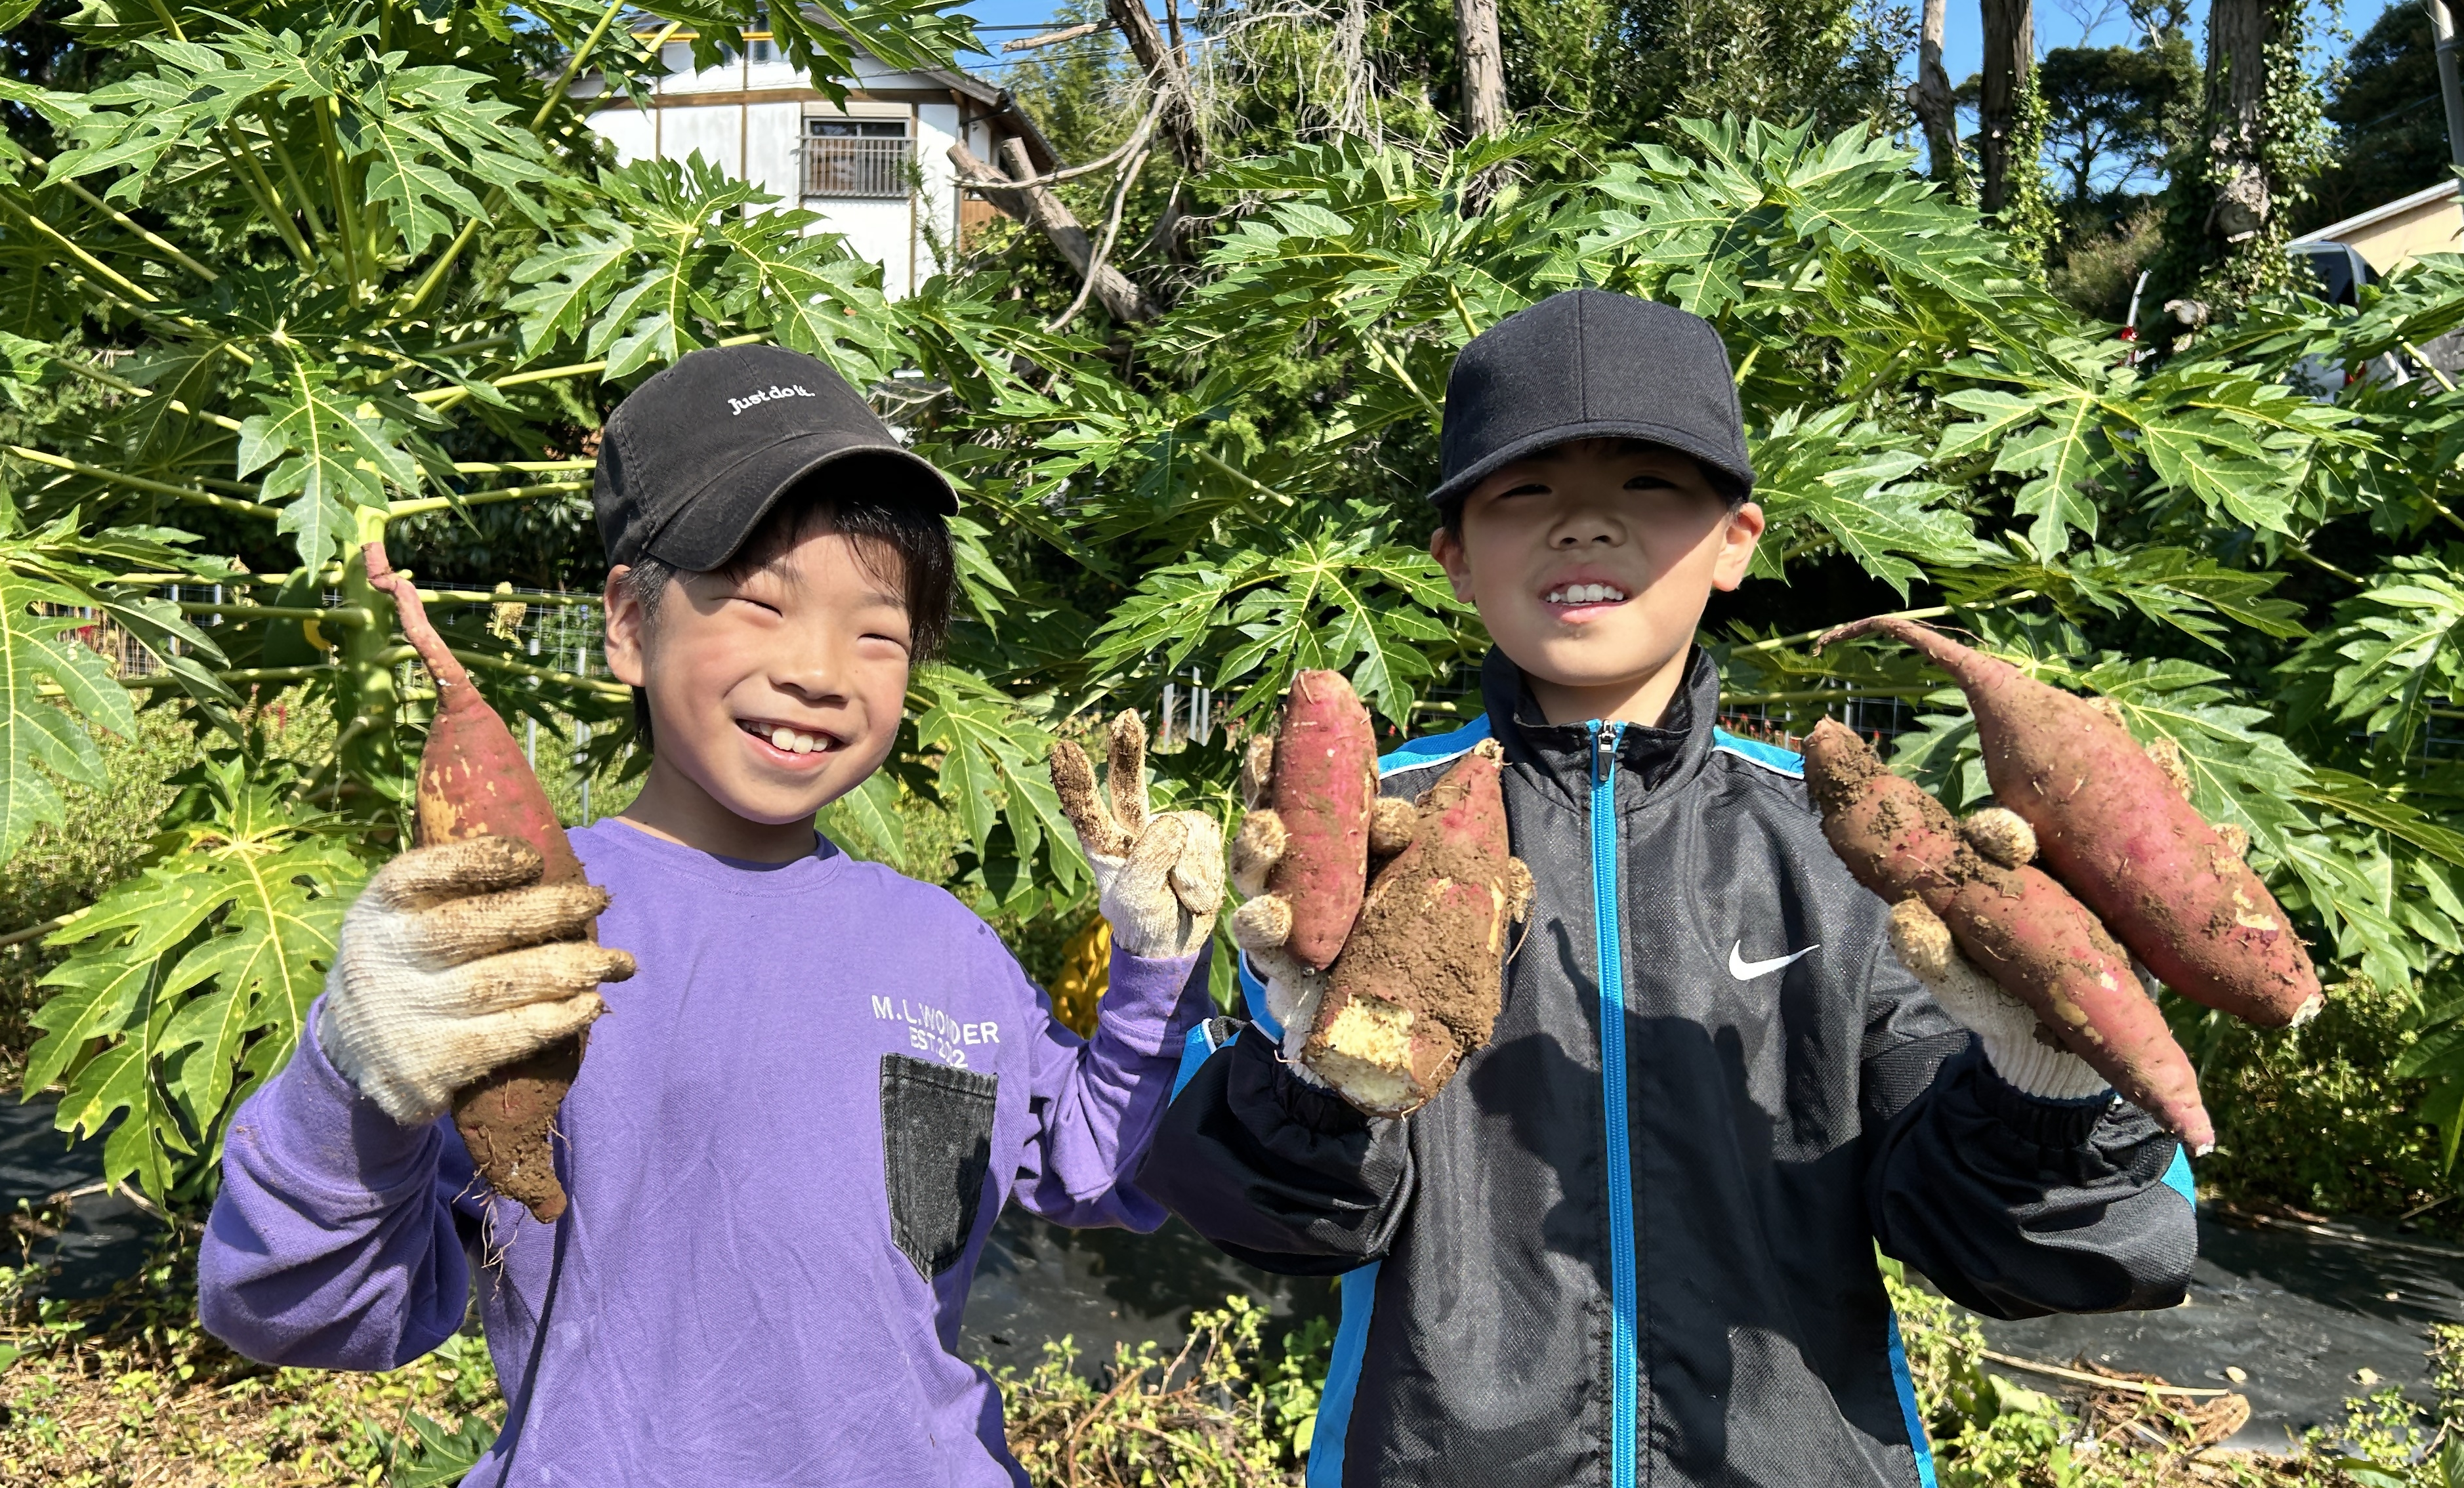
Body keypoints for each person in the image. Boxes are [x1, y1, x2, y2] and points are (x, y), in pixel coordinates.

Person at [1139, 289, 2198, 1488]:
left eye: (1648, 488)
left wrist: (2048, 1085)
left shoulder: (1845, 848)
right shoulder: (1367, 840)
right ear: (1454, 558)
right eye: (1524, 494)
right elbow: (1281, 1225)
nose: (1584, 527)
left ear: (1737, 540)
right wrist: (1311, 1079)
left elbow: (2007, 1255)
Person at [198, 345, 1225, 1486]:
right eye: (758, 604)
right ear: (632, 625)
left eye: (877, 633)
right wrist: (359, 1079)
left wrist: (1154, 965)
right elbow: (296, 1309)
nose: (820, 671)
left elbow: (1091, 1165)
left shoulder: (944, 949)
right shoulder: (522, 937)